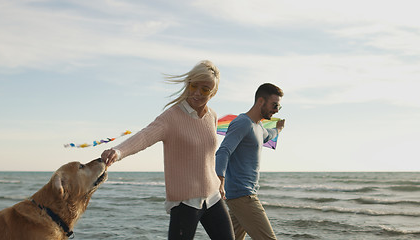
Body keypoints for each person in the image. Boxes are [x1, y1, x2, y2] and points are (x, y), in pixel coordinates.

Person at [101, 60, 235, 240]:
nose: (197, 93)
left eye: (205, 89)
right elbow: (144, 136)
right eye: (193, 85)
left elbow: (207, 155)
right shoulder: (171, 117)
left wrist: (220, 182)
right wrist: (118, 151)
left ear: (214, 92)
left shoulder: (212, 116)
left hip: (213, 197)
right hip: (185, 202)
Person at [215, 83, 285, 240]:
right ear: (261, 101)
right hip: (243, 195)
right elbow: (223, 151)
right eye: (274, 105)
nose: (275, 110)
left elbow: (268, 135)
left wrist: (279, 129)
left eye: (278, 108)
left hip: (241, 195)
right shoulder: (242, 123)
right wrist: (219, 180)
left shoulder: (258, 126)